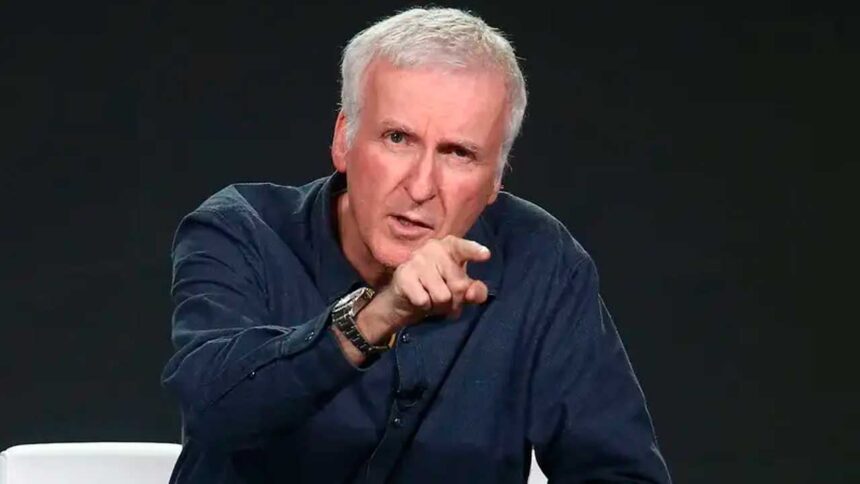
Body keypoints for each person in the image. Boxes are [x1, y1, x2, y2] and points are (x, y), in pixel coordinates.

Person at [162, 7, 671, 484]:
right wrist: (376, 317)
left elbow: (619, 472)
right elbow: (214, 411)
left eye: (459, 153)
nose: (421, 186)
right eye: (398, 139)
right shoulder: (241, 232)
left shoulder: (541, 261)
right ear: (343, 140)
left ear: (496, 178)